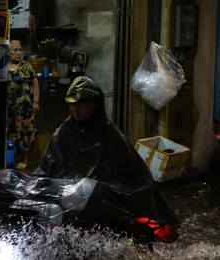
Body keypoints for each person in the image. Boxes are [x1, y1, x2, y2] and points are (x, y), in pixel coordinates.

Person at [34, 76, 179, 242]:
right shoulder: (64, 132)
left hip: (99, 200)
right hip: (69, 195)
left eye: (80, 103)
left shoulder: (110, 135)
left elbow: (132, 175)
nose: (75, 108)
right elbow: (49, 165)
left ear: (94, 104)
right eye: (71, 104)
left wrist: (102, 188)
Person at [6, 40, 39, 170]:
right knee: (10, 133)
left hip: (25, 109)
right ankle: (10, 160)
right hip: (9, 108)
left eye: (20, 50)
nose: (18, 53)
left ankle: (24, 161)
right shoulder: (4, 68)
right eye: (15, 50)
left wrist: (36, 101)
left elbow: (35, 83)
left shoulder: (27, 67)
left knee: (26, 133)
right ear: (8, 53)